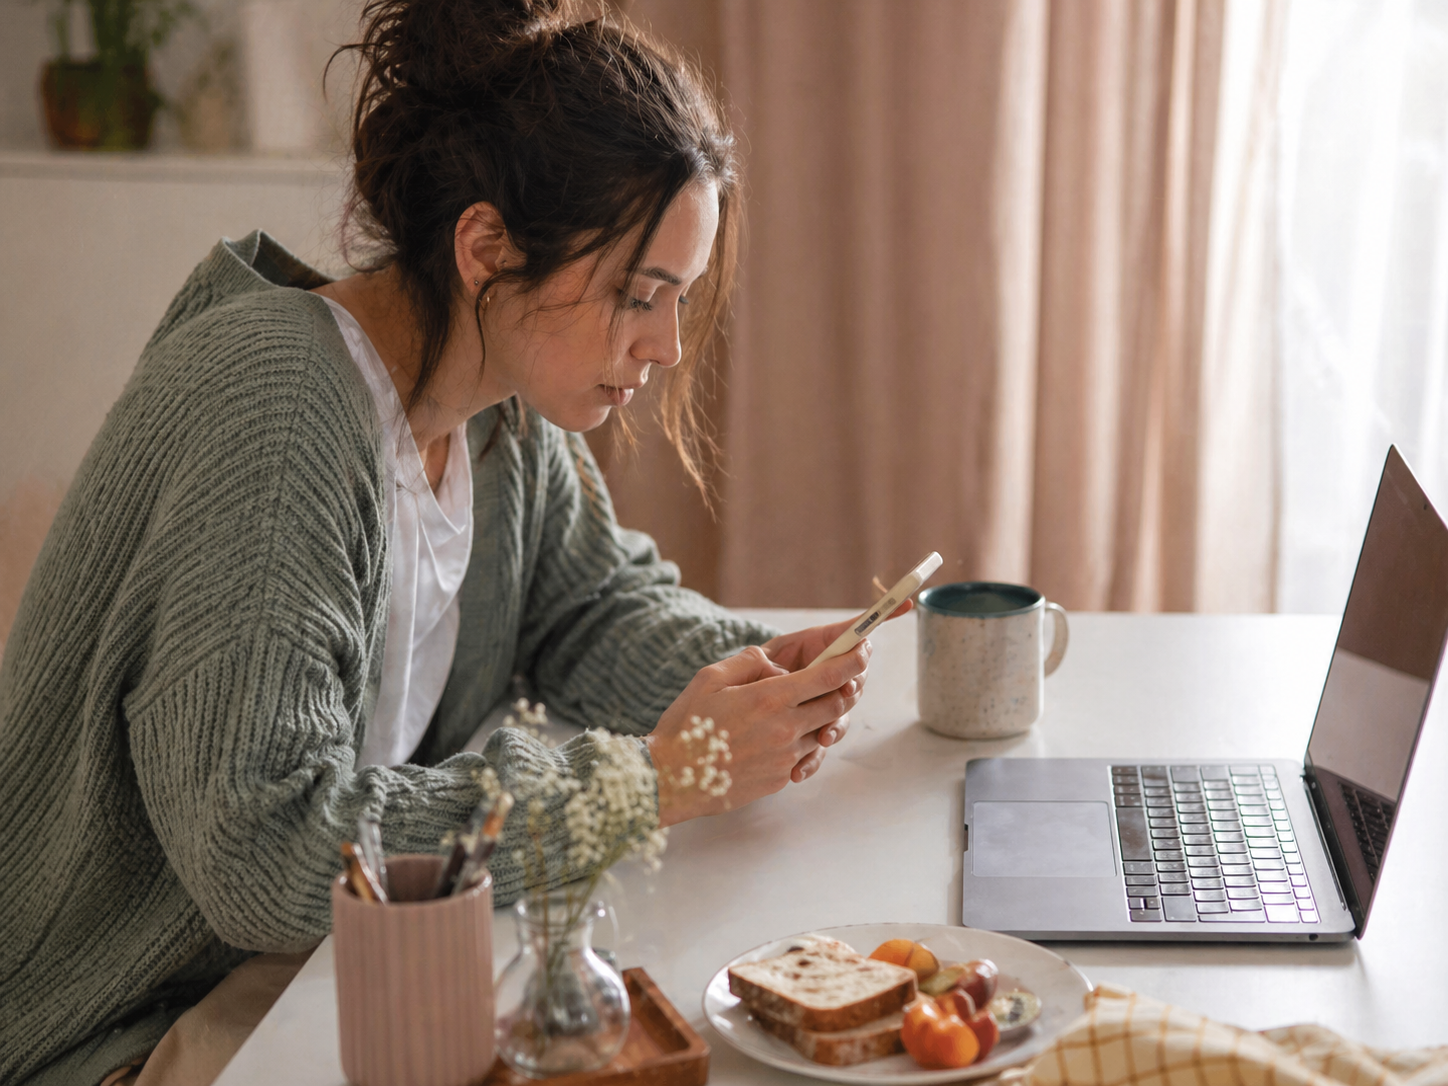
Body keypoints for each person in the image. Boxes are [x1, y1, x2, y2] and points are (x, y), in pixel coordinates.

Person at [0, 2, 884, 1084]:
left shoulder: (495, 403)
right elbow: (264, 848)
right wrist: (644, 786)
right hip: (121, 1032)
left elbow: (590, 607)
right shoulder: (277, 410)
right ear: (484, 248)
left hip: (320, 975)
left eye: (676, 302)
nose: (660, 345)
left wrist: (758, 679)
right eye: (633, 294)